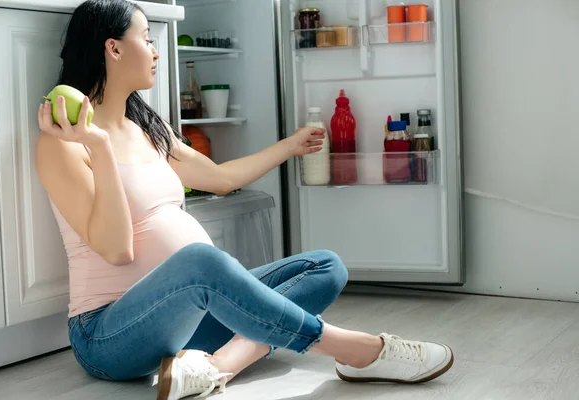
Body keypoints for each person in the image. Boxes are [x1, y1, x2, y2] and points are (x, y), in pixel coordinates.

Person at [35, 1, 454, 399]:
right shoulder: (62, 145)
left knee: (325, 267)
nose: (154, 50)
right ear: (113, 48)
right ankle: (358, 350)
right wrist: (100, 147)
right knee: (202, 262)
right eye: (146, 38)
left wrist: (288, 147)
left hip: (188, 322)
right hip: (109, 335)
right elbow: (116, 250)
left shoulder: (147, 126)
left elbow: (219, 178)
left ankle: (216, 368)